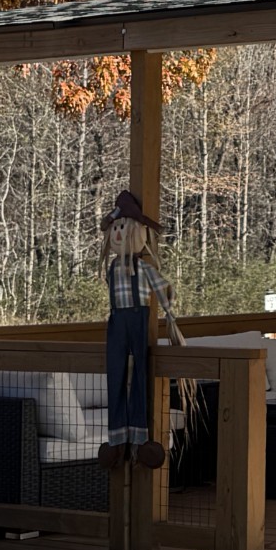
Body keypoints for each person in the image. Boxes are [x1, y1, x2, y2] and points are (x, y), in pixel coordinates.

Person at [100, 190, 185, 470]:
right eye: (116, 228)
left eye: (125, 228)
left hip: (137, 320)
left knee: (139, 376)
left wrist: (170, 313)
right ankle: (116, 440)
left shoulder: (143, 267)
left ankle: (139, 439)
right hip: (117, 322)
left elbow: (163, 289)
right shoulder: (113, 267)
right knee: (116, 374)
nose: (120, 233)